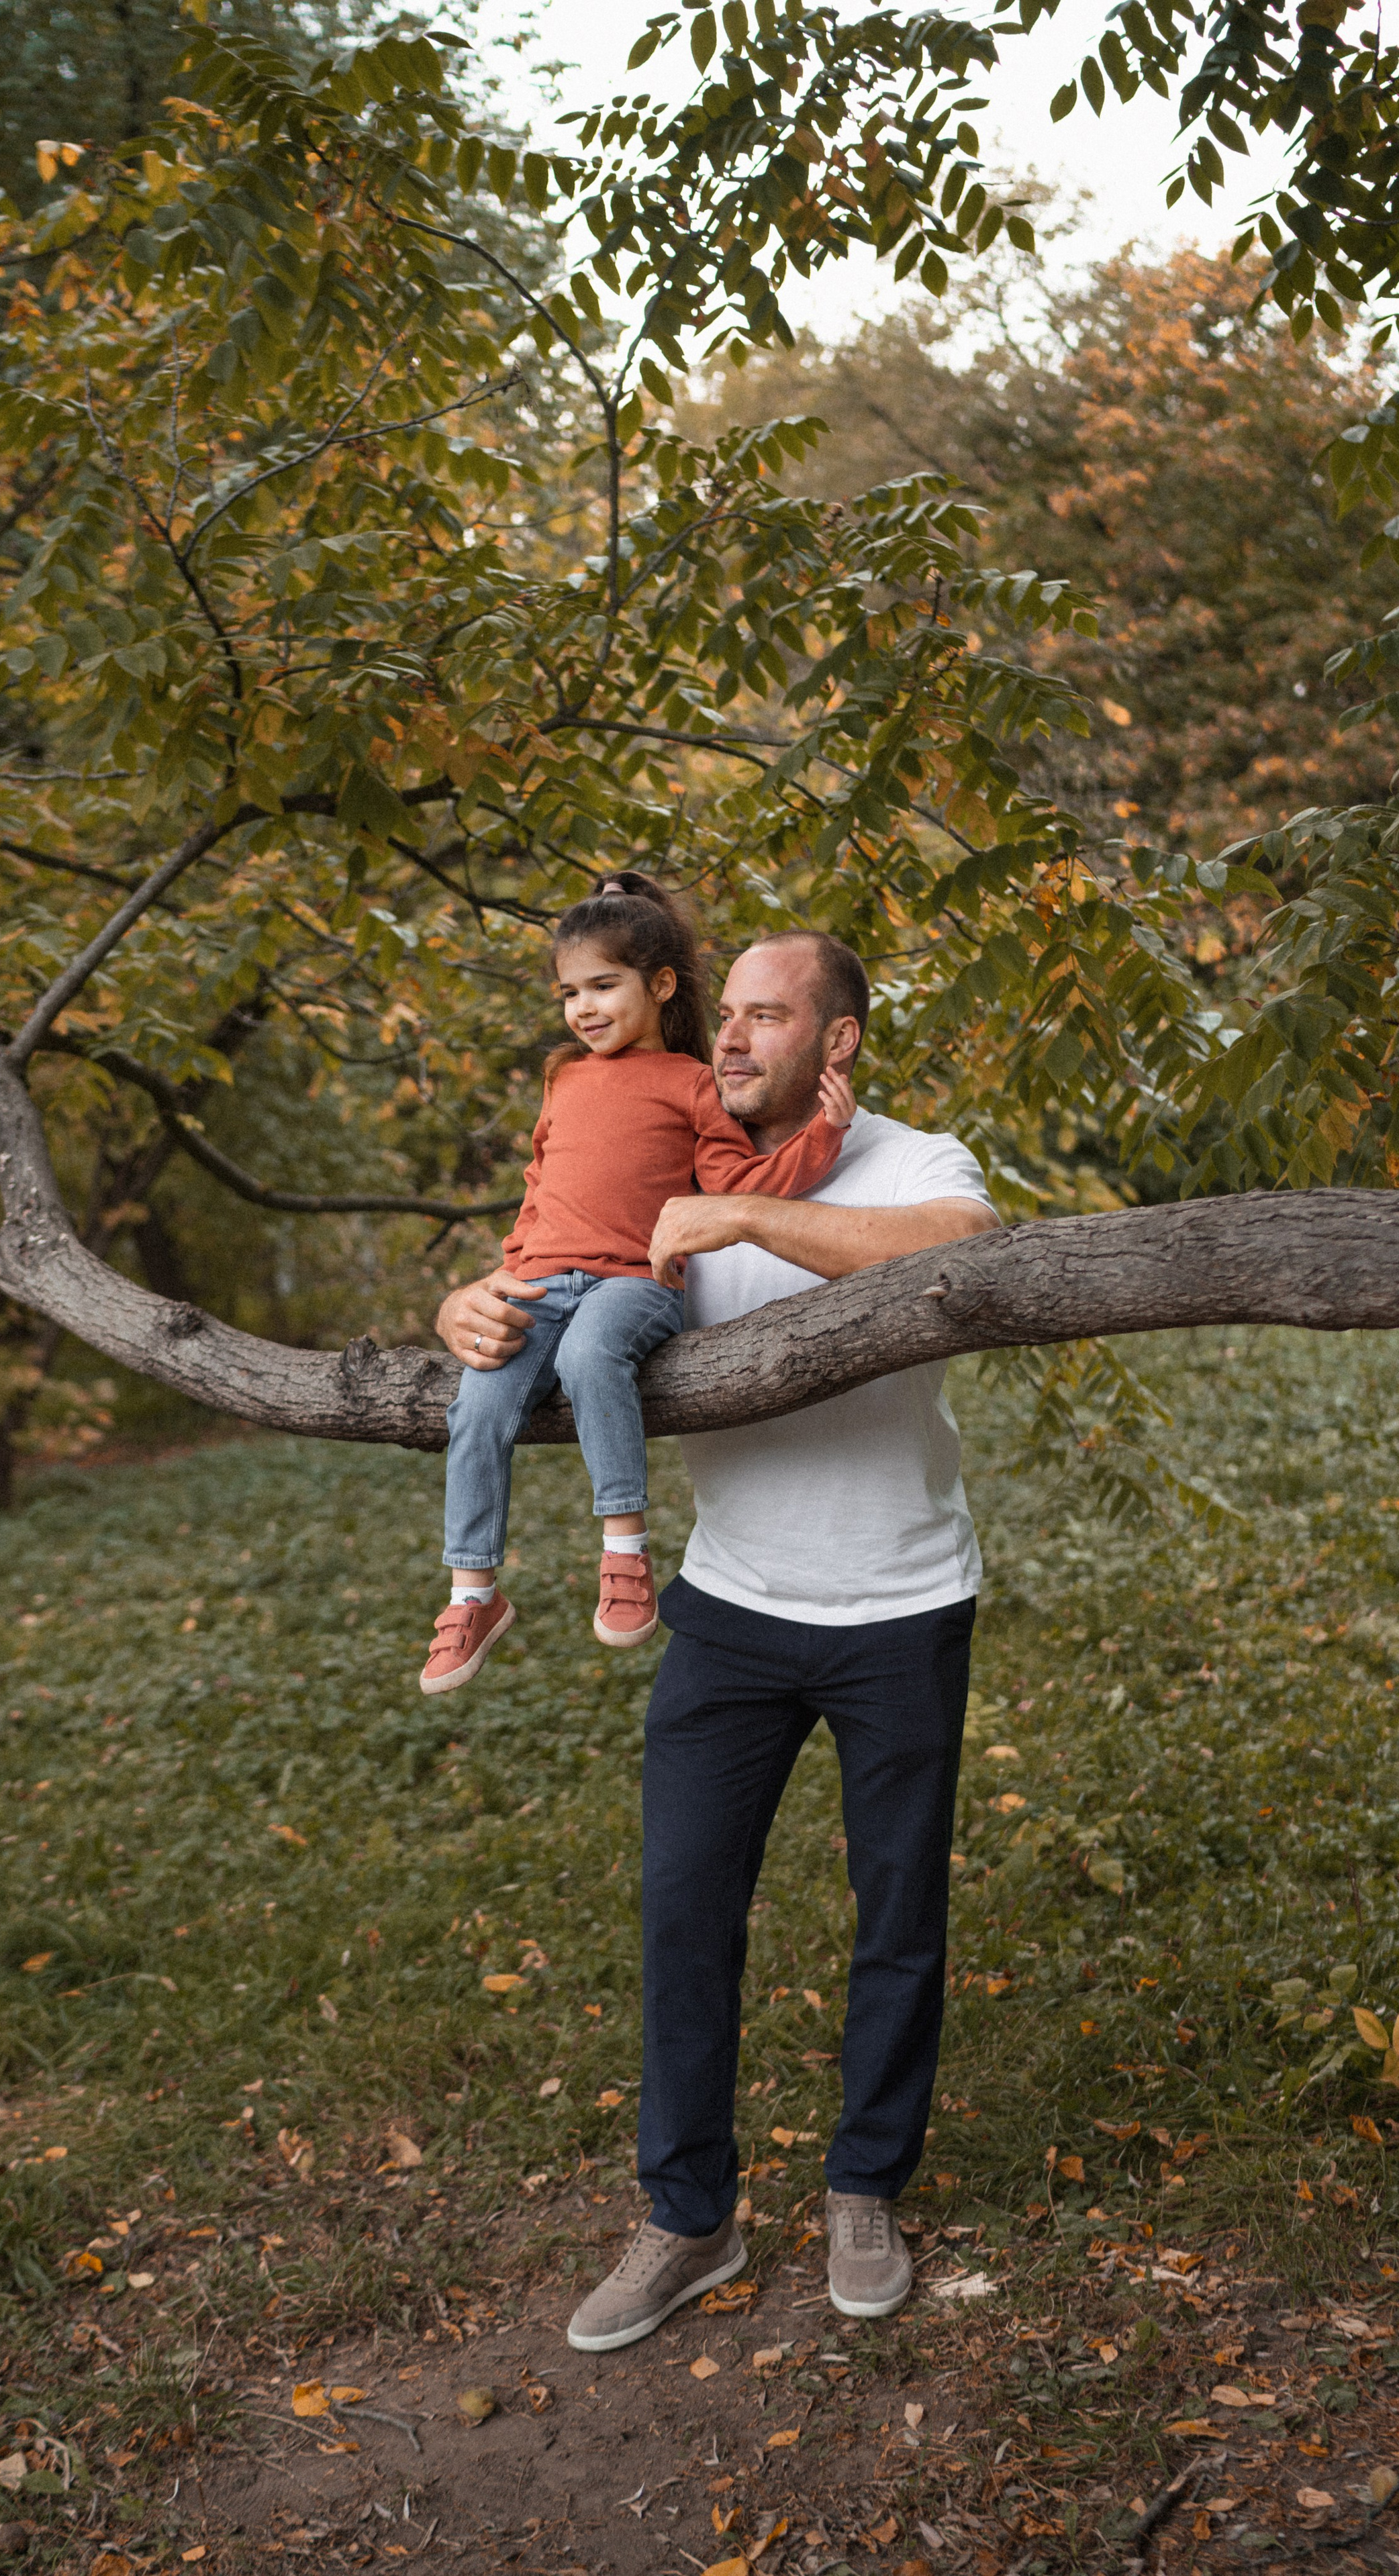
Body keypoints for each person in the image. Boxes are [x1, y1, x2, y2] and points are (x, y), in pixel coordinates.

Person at [435, 929, 1000, 2342]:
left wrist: (746, 1222)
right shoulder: (664, 1157)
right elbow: (561, 1276)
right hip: (728, 1612)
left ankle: (862, 2186)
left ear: (837, 1040)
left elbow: (971, 1255)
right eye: (726, 1014)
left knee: (898, 1921)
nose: (732, 1040)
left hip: (899, 1605)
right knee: (684, 1913)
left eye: (765, 1017)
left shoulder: (912, 1161)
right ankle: (687, 2215)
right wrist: (469, 1309)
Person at [422, 877, 853, 1695]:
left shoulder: (692, 1082)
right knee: (476, 1405)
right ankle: (472, 1592)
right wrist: (507, 1269)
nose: (583, 1008)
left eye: (602, 986)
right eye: (569, 993)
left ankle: (624, 1550)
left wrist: (826, 1135)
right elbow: (539, 1186)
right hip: (541, 1283)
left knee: (591, 1356)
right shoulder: (565, 1081)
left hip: (633, 1283)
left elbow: (741, 1184)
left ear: (658, 986)